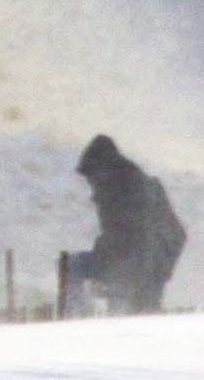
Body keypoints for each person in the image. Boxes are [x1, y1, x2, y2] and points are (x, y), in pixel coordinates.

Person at [66, 134, 187, 314]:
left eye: (91, 178)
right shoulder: (136, 185)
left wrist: (134, 280)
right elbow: (175, 235)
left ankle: (77, 319)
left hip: (135, 272)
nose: (91, 185)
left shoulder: (124, 194)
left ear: (102, 170)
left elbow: (127, 239)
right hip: (145, 270)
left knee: (73, 266)